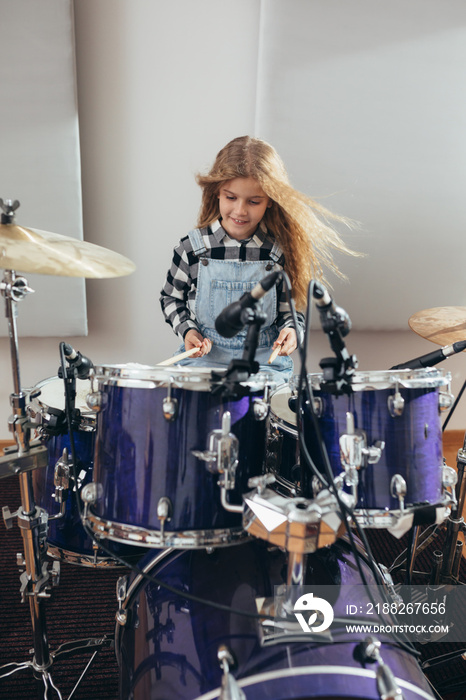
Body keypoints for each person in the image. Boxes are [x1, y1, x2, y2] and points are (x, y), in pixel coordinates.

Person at [160, 135, 356, 383]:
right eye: (231, 198)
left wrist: (291, 330)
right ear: (217, 192)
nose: (240, 210)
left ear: (271, 202)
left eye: (254, 201)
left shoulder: (277, 252)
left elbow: (290, 309)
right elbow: (170, 297)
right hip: (204, 360)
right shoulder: (192, 248)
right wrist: (188, 330)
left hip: (264, 363)